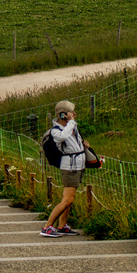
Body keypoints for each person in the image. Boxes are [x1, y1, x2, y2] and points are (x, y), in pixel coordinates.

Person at [43, 100, 90, 237]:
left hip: (78, 165)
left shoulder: (71, 127)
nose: (74, 114)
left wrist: (83, 143)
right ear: (63, 115)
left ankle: (62, 225)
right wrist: (71, 122)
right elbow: (64, 137)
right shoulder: (56, 132)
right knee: (68, 200)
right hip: (69, 167)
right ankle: (47, 226)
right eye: (71, 112)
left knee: (69, 198)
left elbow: (74, 139)